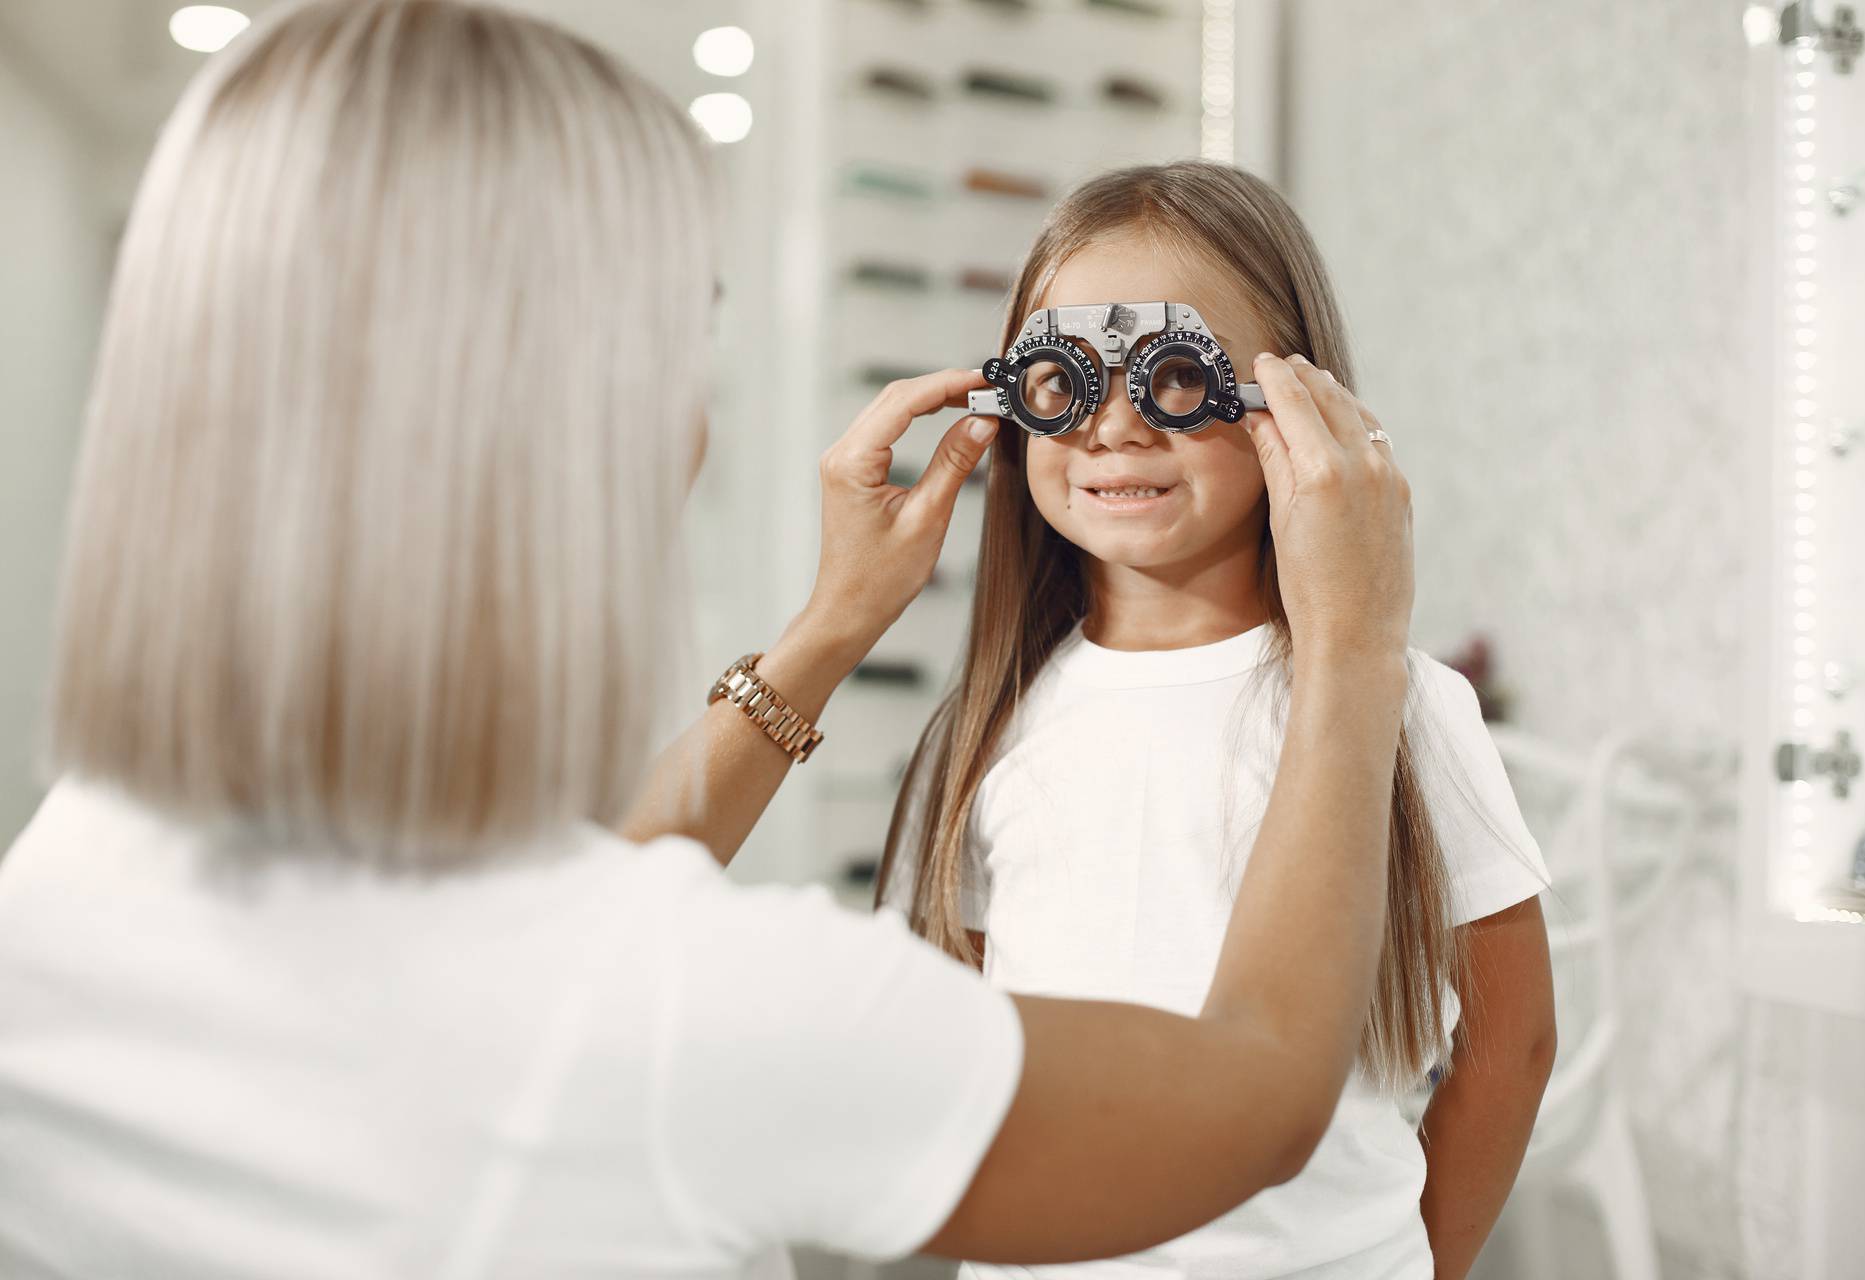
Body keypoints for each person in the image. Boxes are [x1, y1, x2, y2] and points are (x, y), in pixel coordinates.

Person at [1, 3, 1415, 1277]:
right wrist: (1354, 646)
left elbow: (552, 922)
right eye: (690, 340)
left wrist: (833, 625)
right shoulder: (673, 1014)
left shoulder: (66, 883)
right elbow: (1258, 1094)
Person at [875, 163, 1557, 1280]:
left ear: (1298, 404)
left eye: (1175, 377)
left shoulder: (1401, 701)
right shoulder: (986, 724)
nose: (1110, 427)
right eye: (1062, 378)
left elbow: (1511, 1040)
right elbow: (966, 1061)